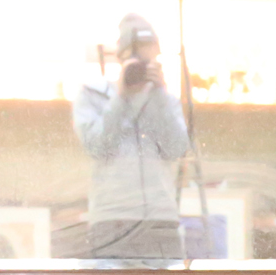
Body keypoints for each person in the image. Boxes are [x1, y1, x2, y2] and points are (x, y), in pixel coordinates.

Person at [73, 14, 191, 261]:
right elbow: (96, 147)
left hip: (160, 220)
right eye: (136, 61)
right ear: (121, 58)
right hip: (111, 220)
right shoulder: (93, 95)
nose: (142, 67)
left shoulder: (165, 101)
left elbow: (177, 149)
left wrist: (159, 94)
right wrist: (121, 98)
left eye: (149, 60)